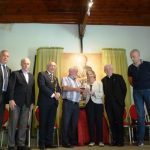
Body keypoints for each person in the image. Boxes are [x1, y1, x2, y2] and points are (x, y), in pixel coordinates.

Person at [7, 58, 35, 150]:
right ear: (21, 64)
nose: (26, 65)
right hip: (15, 103)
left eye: (28, 64)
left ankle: (21, 144)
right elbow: (11, 88)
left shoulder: (31, 76)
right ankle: (11, 145)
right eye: (24, 63)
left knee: (23, 124)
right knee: (13, 124)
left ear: (29, 65)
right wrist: (10, 99)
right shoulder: (15, 74)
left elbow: (32, 91)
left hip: (27, 104)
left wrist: (32, 102)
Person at [128, 49, 150, 146]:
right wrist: (138, 87)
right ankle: (140, 140)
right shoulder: (130, 68)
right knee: (140, 116)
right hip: (137, 92)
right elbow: (130, 80)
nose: (133, 58)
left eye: (135, 56)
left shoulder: (147, 64)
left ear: (139, 55)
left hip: (148, 90)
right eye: (132, 57)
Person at [101, 64, 127, 146]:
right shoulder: (103, 80)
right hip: (108, 104)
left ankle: (120, 141)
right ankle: (114, 140)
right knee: (111, 122)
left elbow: (124, 89)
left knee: (119, 122)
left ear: (112, 69)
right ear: (104, 71)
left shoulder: (119, 77)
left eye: (109, 68)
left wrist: (120, 100)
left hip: (118, 104)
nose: (108, 70)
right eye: (106, 69)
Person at [37, 61, 61, 149]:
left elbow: (58, 88)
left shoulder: (55, 78)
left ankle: (49, 142)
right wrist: (54, 95)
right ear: (47, 66)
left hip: (53, 104)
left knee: (51, 124)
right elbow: (42, 87)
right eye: (51, 65)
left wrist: (58, 93)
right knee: (43, 123)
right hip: (44, 103)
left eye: (54, 66)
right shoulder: (42, 74)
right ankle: (42, 143)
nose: (53, 67)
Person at [61, 66, 83, 148]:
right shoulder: (65, 79)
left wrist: (83, 91)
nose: (75, 73)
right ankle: (65, 142)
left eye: (76, 71)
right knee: (66, 123)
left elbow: (79, 91)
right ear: (69, 72)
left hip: (76, 104)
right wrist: (76, 89)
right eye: (74, 71)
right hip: (68, 103)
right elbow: (65, 88)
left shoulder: (78, 81)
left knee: (74, 123)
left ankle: (71, 141)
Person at [83, 70, 104, 147]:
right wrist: (84, 94)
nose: (89, 76)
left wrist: (93, 93)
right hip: (89, 104)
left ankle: (100, 141)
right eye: (88, 74)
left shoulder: (99, 83)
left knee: (99, 122)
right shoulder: (85, 84)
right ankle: (92, 140)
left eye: (90, 74)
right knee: (90, 122)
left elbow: (101, 94)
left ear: (94, 75)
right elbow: (84, 97)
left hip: (98, 103)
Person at [0, 50, 11, 150]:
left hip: (4, 98)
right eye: (4, 55)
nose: (6, 57)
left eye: (7, 56)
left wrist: (8, 101)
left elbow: (8, 87)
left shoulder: (8, 69)